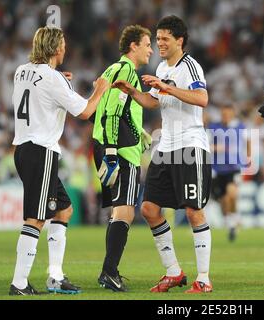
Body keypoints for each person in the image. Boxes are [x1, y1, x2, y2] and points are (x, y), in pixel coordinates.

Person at [112, 15, 213, 293]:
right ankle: (173, 271)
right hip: (166, 146)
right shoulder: (160, 66)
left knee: (194, 212)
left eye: (165, 39)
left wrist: (167, 86)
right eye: (157, 40)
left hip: (190, 145)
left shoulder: (190, 67)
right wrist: (133, 91)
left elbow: (202, 98)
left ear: (180, 40)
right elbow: (152, 101)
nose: (160, 44)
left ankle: (203, 278)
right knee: (149, 209)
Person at [10, 26, 109, 295]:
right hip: (40, 151)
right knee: (35, 219)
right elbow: (86, 110)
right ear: (55, 48)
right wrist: (99, 90)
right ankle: (19, 283)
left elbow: (39, 89)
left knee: (63, 211)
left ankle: (55, 276)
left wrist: (59, 81)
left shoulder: (21, 71)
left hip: (24, 148)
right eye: (63, 44)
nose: (65, 48)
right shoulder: (53, 79)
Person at [92, 25, 153, 292]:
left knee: (119, 210)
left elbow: (107, 108)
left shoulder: (111, 70)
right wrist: (113, 153)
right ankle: (109, 272)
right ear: (133, 46)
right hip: (120, 150)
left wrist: (139, 131)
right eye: (147, 44)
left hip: (108, 142)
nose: (151, 49)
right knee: (125, 212)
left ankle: (109, 270)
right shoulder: (127, 70)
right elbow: (114, 113)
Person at [208, 104, 250, 242]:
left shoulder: (240, 127)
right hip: (217, 169)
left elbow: (248, 142)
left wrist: (247, 158)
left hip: (234, 167)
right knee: (223, 199)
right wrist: (216, 148)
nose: (225, 116)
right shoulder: (213, 128)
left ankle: (234, 217)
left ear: (232, 114)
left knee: (232, 193)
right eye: (223, 114)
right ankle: (231, 221)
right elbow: (205, 144)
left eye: (228, 114)